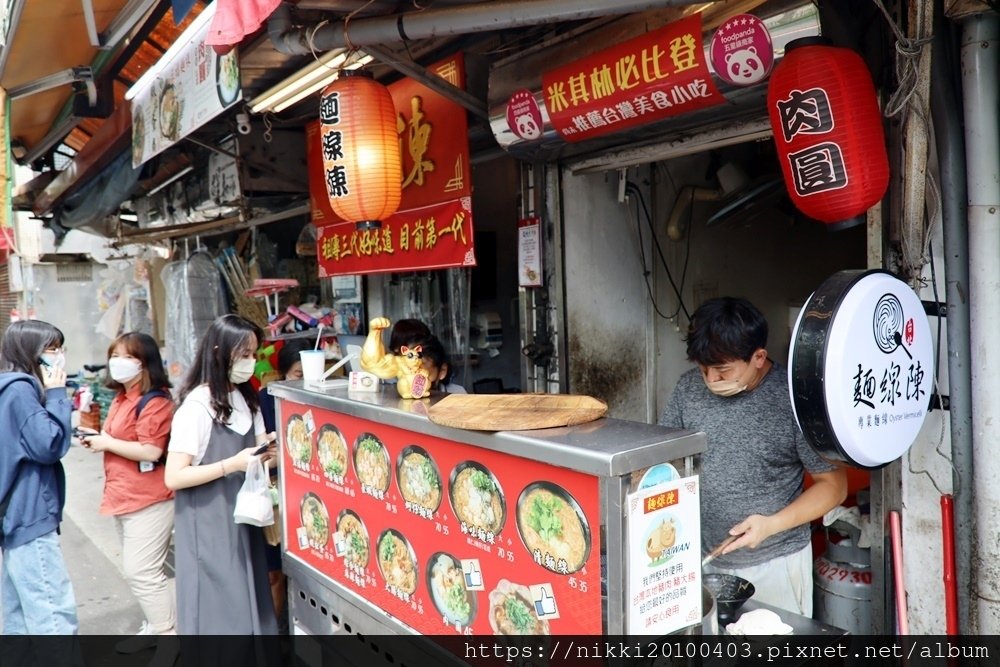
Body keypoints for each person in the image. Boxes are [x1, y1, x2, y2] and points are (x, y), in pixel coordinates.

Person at [658, 297, 847, 617]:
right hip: (702, 561)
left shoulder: (792, 400)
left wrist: (770, 525)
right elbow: (664, 463)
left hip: (775, 566)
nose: (710, 380)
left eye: (722, 370)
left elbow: (834, 486)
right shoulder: (687, 389)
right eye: (703, 369)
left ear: (758, 357)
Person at [164, 314, 278, 636]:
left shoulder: (246, 398)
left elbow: (257, 457)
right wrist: (232, 465)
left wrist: (273, 454)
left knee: (249, 598)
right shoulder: (196, 407)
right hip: (209, 523)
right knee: (221, 612)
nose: (251, 362)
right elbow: (174, 477)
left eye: (254, 355)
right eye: (244, 355)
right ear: (219, 352)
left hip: (245, 518)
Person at [79, 332, 176, 649]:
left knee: (142, 572)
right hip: (123, 495)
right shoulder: (122, 397)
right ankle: (156, 626)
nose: (117, 363)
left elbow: (150, 451)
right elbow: (117, 437)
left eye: (127, 357)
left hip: (149, 497)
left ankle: (169, 637)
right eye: (114, 355)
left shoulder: (156, 401)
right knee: (142, 570)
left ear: (145, 363)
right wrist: (97, 437)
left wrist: (107, 442)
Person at [0, 321, 79, 634]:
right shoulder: (20, 391)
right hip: (29, 514)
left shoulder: (9, 388)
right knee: (53, 614)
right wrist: (58, 394)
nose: (58, 356)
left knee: (17, 615)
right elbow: (49, 445)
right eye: (51, 349)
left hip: (14, 515)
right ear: (30, 352)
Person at [258, 339, 311, 635]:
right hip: (277, 494)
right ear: (283, 374)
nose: (303, 381)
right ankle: (273, 635)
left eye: (310, 374)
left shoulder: (322, 400)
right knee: (274, 572)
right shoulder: (265, 398)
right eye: (297, 375)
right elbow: (263, 449)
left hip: (310, 494)